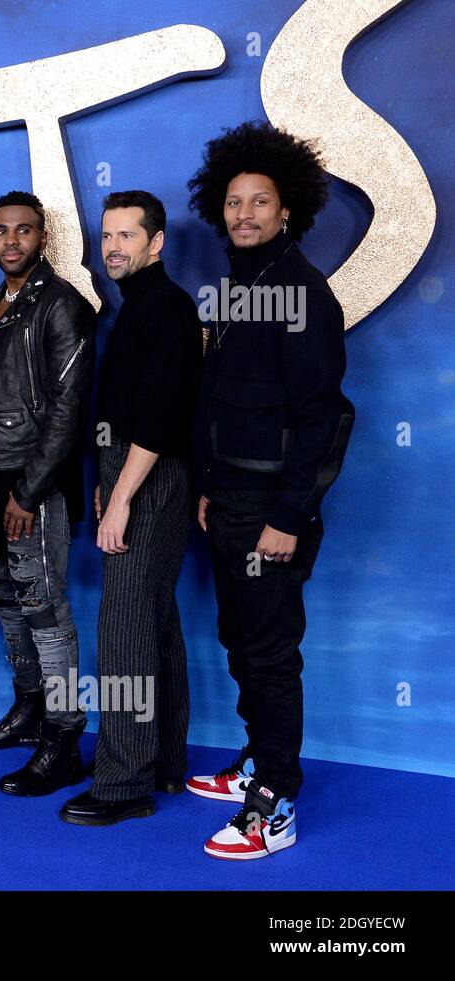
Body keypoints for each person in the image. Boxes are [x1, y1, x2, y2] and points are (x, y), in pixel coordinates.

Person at [184, 121, 354, 859]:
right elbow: (221, 400)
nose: (245, 213)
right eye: (234, 202)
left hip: (272, 514)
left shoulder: (303, 293)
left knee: (272, 652)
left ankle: (276, 804)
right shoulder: (236, 286)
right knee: (241, 641)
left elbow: (325, 416)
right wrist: (208, 486)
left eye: (260, 202)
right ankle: (258, 759)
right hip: (228, 502)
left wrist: (289, 515)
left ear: (288, 211)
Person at [58, 191, 202, 826]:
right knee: (153, 619)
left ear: (157, 242)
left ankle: (122, 783)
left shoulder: (165, 309)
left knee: (122, 630)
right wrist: (107, 478)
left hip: (150, 475)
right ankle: (165, 763)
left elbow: (160, 419)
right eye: (106, 236)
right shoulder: (138, 308)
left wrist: (119, 498)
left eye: (126, 236)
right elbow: (128, 413)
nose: (112, 247)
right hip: (136, 469)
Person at [0, 190, 96, 796]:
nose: (11, 240)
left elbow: (69, 411)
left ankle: (65, 738)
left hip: (32, 487)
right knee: (8, 603)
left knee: (45, 610)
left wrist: (28, 491)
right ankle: (30, 709)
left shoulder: (61, 304)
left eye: (23, 231)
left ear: (42, 238)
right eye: (1, 231)